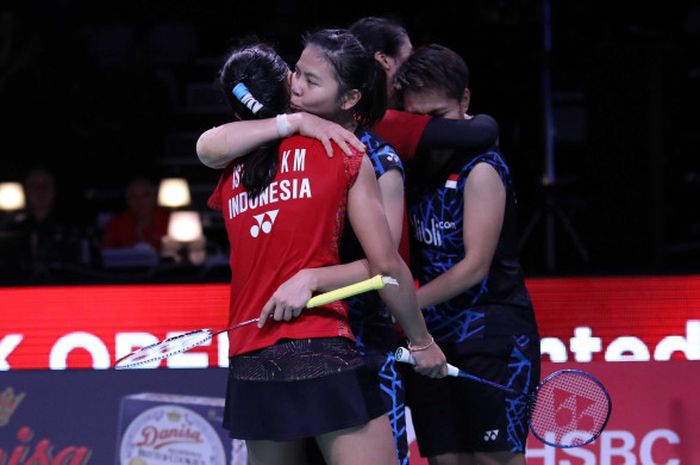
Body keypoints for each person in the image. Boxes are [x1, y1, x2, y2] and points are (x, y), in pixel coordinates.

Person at [199, 37, 446, 465]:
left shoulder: (238, 166)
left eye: (310, 79)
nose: (294, 84)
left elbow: (208, 148)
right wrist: (423, 342)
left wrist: (314, 277)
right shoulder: (343, 153)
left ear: (350, 97)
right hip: (322, 348)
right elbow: (386, 267)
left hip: (250, 355)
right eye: (296, 72)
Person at [394, 44, 541, 465]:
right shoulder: (411, 167)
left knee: (494, 459)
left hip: (492, 338)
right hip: (430, 339)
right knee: (445, 459)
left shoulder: (482, 169)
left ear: (465, 101)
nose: (430, 130)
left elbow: (474, 267)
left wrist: (403, 307)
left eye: (437, 117)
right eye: (416, 119)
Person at [101, 176, 170, 251]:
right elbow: (106, 253)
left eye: (145, 195)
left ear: (154, 197)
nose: (140, 202)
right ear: (128, 200)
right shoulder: (116, 223)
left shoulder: (170, 221)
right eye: (134, 196)